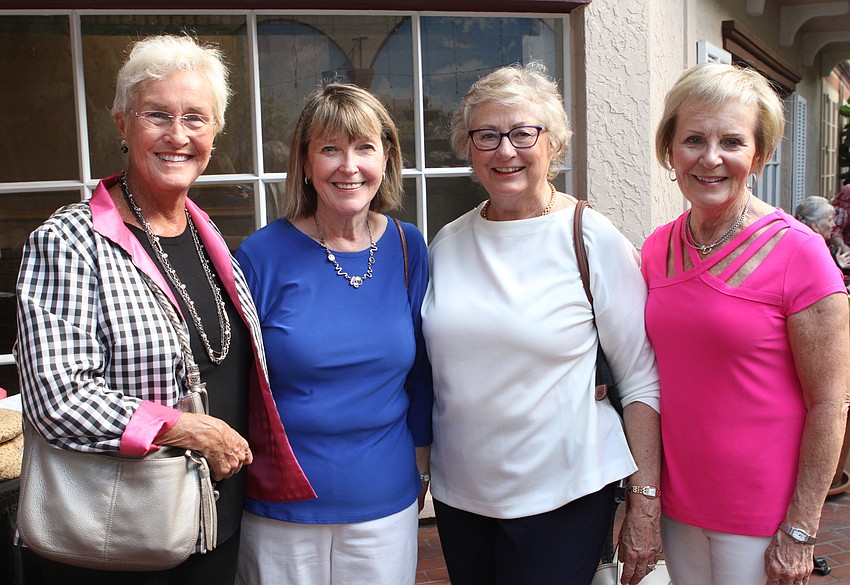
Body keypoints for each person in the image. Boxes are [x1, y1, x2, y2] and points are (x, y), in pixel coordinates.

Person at [14, 34, 314, 585]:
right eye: (157, 115)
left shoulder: (207, 234)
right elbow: (58, 398)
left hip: (212, 530)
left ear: (215, 130)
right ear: (122, 123)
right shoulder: (69, 241)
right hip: (116, 540)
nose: (178, 136)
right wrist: (193, 430)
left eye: (195, 118)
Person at [420, 62, 662, 585]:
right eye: (486, 135)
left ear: (553, 144)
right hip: (462, 494)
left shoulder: (591, 239)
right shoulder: (446, 244)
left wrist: (644, 502)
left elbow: (642, 378)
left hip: (564, 494)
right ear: (468, 148)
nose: (505, 150)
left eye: (522, 133)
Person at [645, 62, 850, 585]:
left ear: (758, 154)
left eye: (732, 142)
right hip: (679, 500)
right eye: (693, 138)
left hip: (763, 512)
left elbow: (831, 402)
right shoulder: (655, 249)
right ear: (670, 148)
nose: (710, 158)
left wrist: (802, 528)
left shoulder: (800, 252)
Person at [233, 82, 433, 585]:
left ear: (386, 159)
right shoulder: (261, 256)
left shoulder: (409, 248)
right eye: (329, 149)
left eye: (365, 148)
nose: (349, 166)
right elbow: (237, 381)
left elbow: (424, 375)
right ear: (304, 163)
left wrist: (422, 467)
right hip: (280, 503)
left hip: (383, 499)